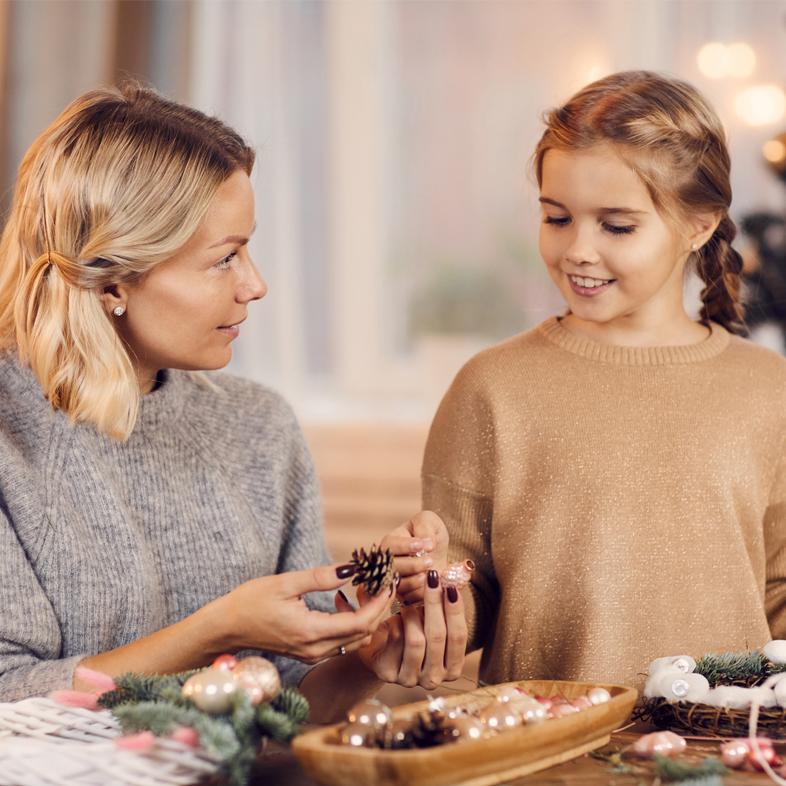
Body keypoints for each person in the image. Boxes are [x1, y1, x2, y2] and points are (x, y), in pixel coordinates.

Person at [0, 84, 466, 720]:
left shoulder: (259, 426)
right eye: (224, 259)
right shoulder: (11, 438)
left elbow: (287, 712)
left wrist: (362, 657)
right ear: (113, 277)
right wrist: (212, 631)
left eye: (248, 248)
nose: (256, 284)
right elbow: (8, 697)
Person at [420, 71, 786, 690]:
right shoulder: (491, 387)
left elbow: (777, 591)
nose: (577, 250)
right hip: (544, 757)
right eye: (556, 218)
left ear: (699, 225)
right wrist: (431, 601)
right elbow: (462, 583)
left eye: (616, 227)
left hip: (725, 758)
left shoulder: (768, 390)